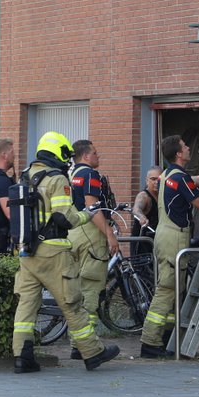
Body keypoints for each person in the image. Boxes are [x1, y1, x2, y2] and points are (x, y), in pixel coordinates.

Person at [10, 132, 119, 374]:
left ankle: (22, 357)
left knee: (26, 306)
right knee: (72, 302)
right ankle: (92, 352)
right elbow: (63, 216)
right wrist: (86, 215)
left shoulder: (26, 176)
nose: (68, 160)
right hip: (53, 251)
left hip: (26, 252)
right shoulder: (57, 179)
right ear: (58, 152)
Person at [140, 136, 199, 359]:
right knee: (167, 289)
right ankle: (149, 342)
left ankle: (167, 338)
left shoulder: (167, 175)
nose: (188, 148)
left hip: (165, 235)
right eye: (186, 146)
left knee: (174, 290)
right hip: (175, 238)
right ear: (178, 154)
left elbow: (190, 181)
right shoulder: (180, 177)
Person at [67, 139, 120, 355]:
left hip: (72, 233)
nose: (98, 156)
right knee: (90, 290)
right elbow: (92, 207)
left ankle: (77, 343)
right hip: (90, 234)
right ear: (86, 156)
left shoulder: (69, 174)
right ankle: (85, 346)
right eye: (95, 153)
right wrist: (109, 235)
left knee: (77, 289)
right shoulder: (90, 175)